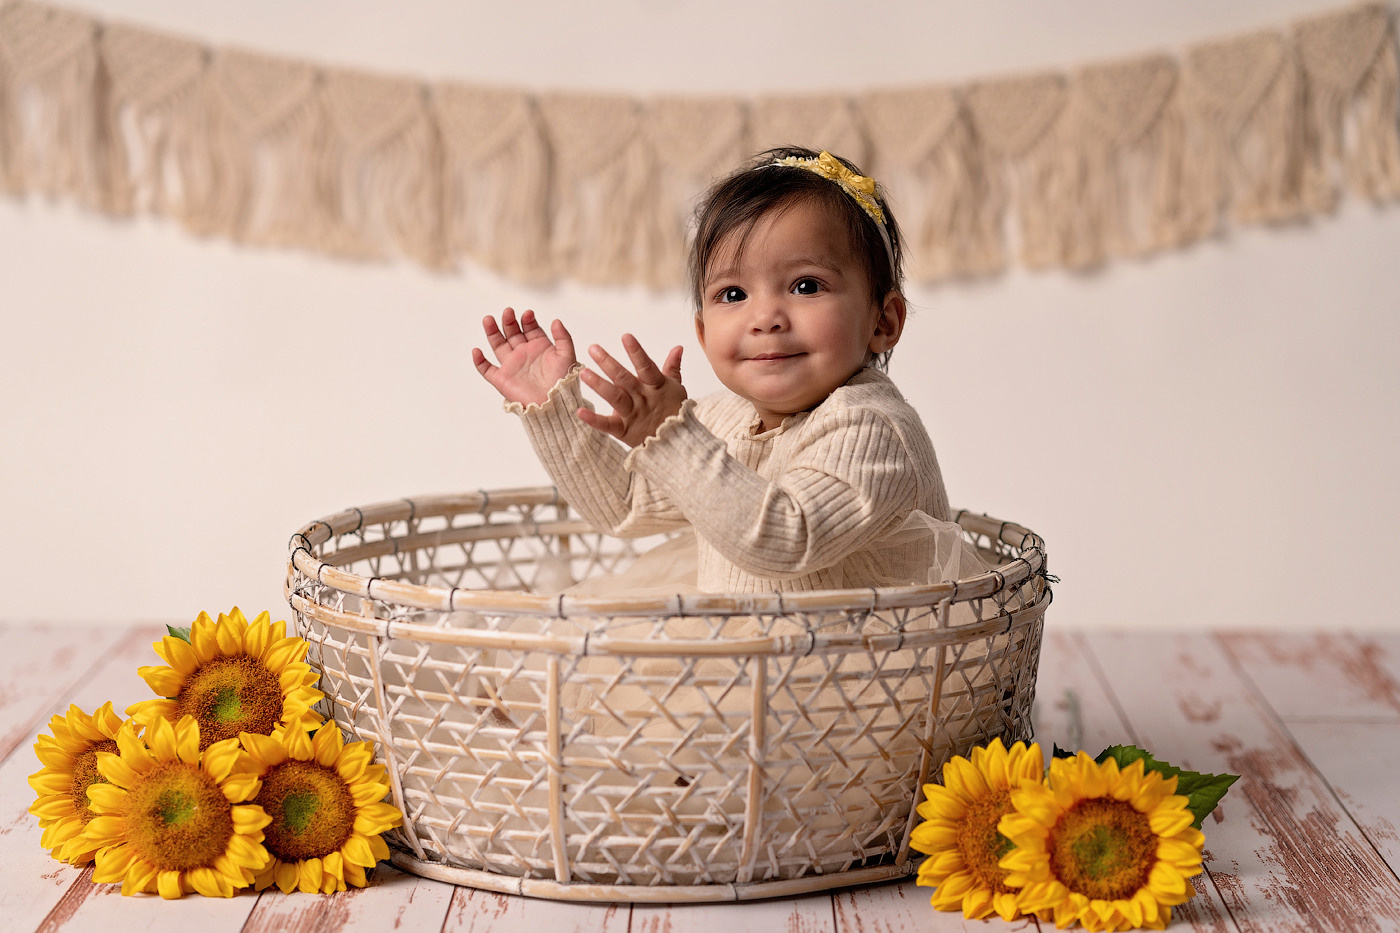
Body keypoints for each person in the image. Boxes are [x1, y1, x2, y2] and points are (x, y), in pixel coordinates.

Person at [473, 146, 951, 595]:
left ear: (883, 321)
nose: (765, 318)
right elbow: (624, 504)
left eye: (806, 285)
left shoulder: (872, 427)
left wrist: (674, 440)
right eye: (734, 295)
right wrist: (552, 409)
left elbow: (788, 537)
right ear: (703, 333)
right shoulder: (723, 418)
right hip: (748, 666)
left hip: (864, 672)